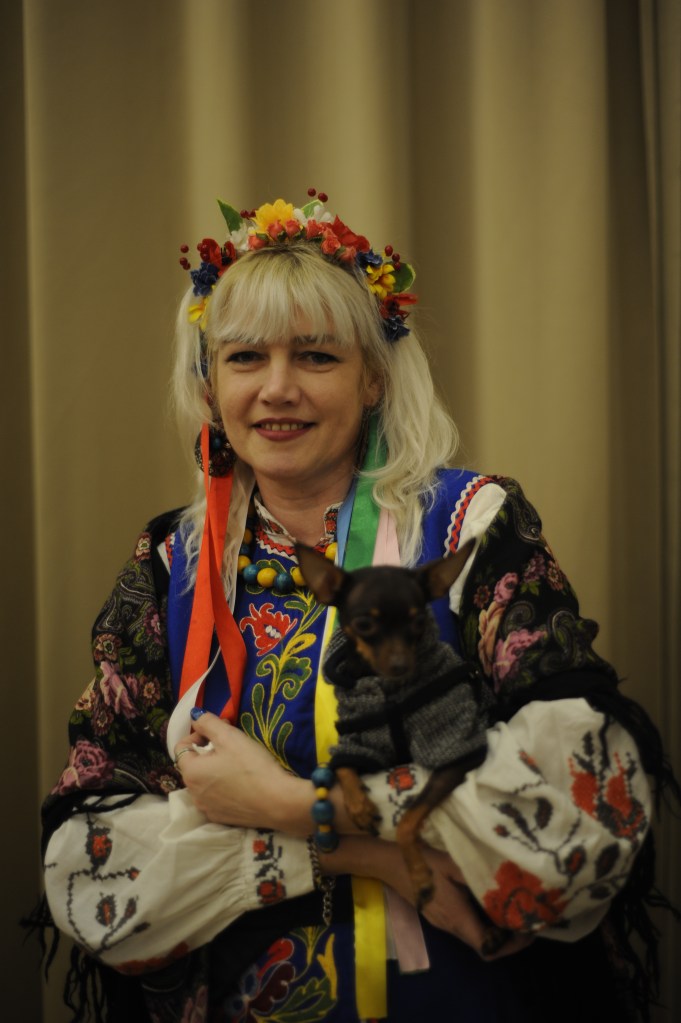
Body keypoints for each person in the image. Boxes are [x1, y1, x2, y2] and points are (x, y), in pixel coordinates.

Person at [40, 192, 673, 1022]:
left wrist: (284, 803)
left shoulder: (468, 525)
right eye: (244, 357)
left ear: (372, 377)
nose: (277, 389)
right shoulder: (169, 564)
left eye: (315, 356)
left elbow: (579, 805)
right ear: (209, 386)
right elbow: (90, 868)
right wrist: (366, 853)